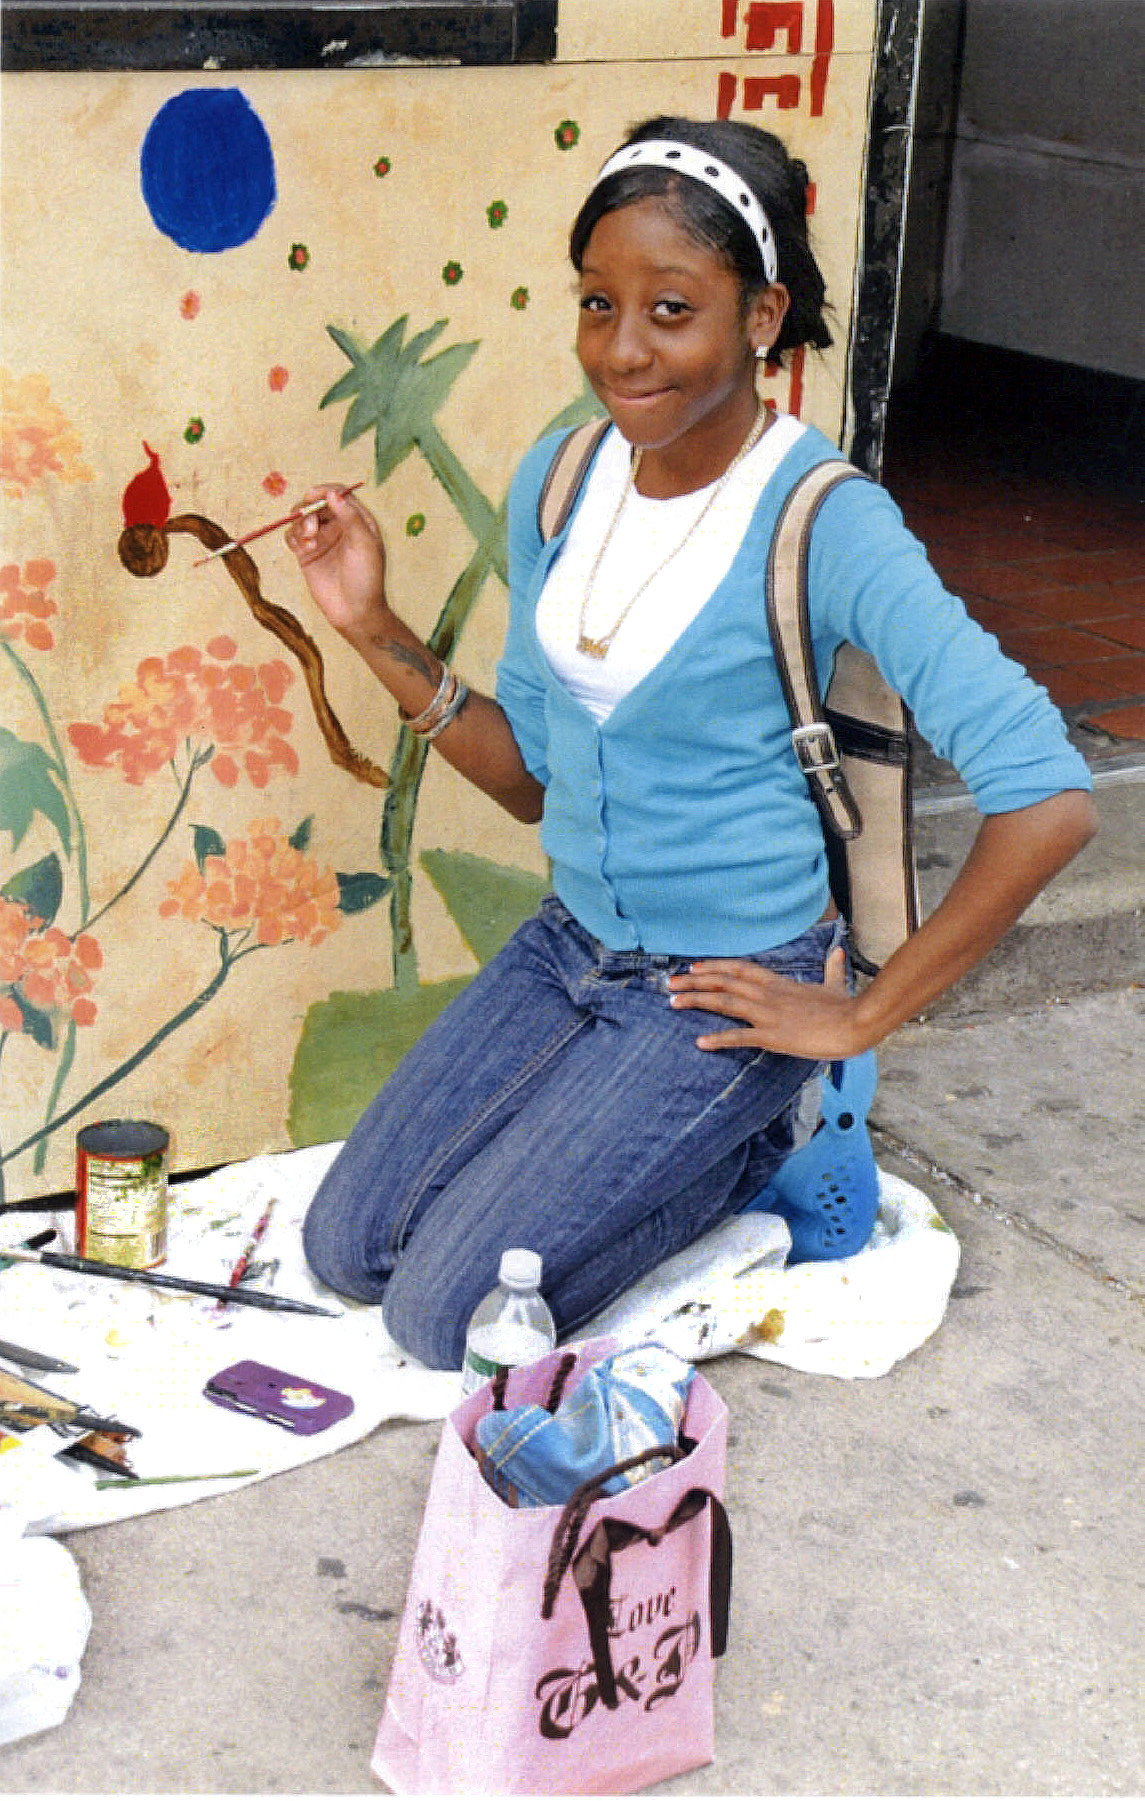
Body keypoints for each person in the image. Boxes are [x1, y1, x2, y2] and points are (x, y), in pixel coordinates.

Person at [286, 115, 1097, 1370]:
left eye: (671, 309)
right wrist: (371, 625)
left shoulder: (824, 519)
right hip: (571, 947)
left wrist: (857, 1015)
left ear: (761, 315)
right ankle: (653, 1141)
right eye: (597, 303)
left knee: (442, 1316)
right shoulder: (558, 480)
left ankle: (763, 1144)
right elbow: (530, 785)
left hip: (727, 988)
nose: (621, 350)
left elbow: (1047, 796)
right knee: (348, 1249)